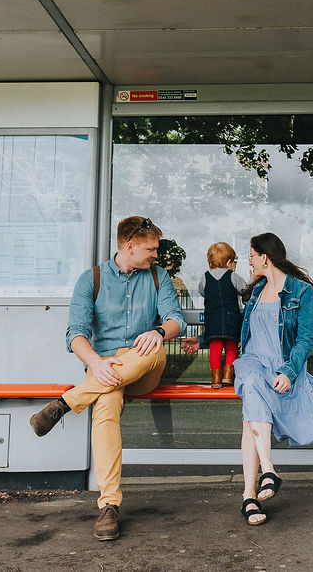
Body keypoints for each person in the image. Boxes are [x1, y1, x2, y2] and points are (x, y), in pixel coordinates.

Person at [29, 216, 185, 542]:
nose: (156, 254)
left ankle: (66, 403)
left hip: (144, 365)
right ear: (129, 246)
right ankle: (109, 505)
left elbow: (175, 320)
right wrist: (97, 364)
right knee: (105, 408)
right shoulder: (92, 279)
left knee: (153, 349)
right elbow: (75, 335)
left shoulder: (159, 276)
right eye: (151, 248)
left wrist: (159, 332)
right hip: (103, 368)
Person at [233, 232, 313, 526]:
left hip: (278, 366)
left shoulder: (301, 291)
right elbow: (246, 335)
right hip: (250, 362)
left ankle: (249, 496)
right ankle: (269, 469)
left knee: (251, 412)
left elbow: (307, 339)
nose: (248, 261)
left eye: (251, 256)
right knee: (249, 381)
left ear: (264, 257)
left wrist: (289, 370)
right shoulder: (256, 291)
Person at [181, 242, 247, 388]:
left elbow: (201, 291)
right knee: (231, 348)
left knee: (215, 349)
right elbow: (245, 290)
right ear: (229, 262)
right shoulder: (233, 276)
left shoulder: (205, 277)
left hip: (213, 320)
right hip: (231, 319)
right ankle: (228, 375)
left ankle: (216, 378)